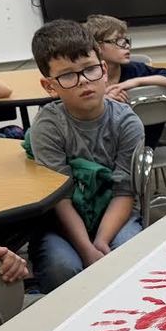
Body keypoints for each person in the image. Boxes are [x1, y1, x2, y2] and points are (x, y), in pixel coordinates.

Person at [27, 19, 144, 293]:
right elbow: (60, 199)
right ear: (49, 86)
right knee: (63, 268)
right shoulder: (48, 126)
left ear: (103, 70)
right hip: (60, 222)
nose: (84, 82)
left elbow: (124, 192)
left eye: (90, 69)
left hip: (113, 215)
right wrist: (86, 249)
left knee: (129, 258)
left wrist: (101, 242)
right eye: (68, 75)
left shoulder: (126, 122)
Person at [85, 14, 166, 147]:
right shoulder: (85, 76)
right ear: (97, 47)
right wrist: (104, 101)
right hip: (101, 149)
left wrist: (136, 82)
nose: (126, 46)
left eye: (125, 40)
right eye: (117, 41)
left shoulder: (135, 70)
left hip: (143, 146)